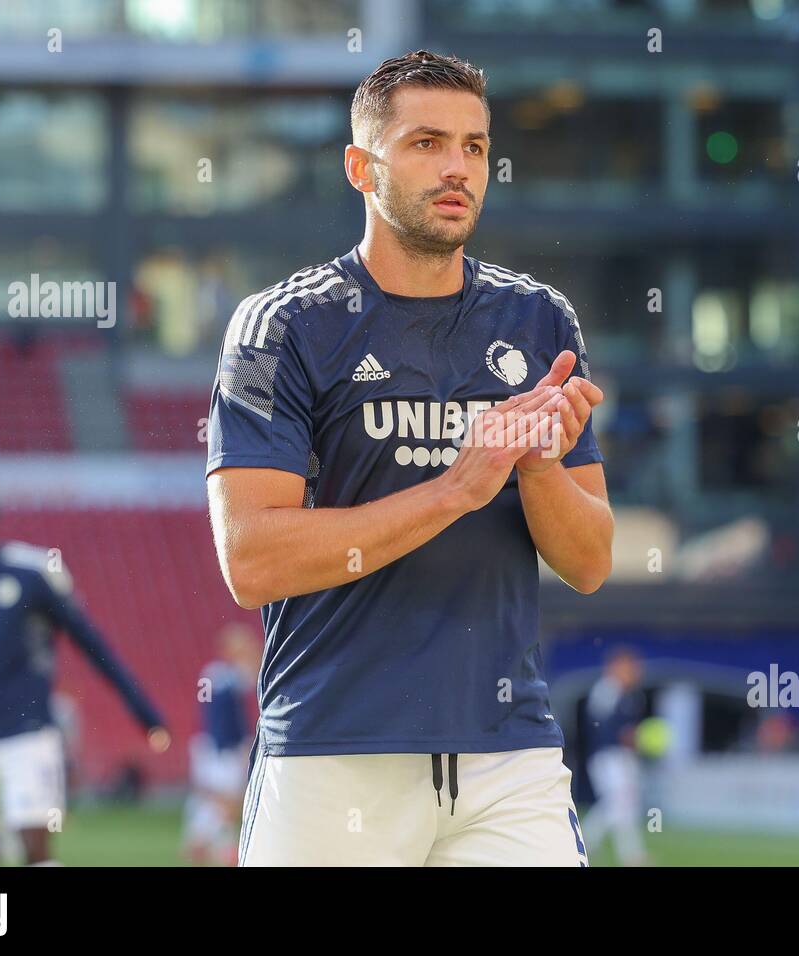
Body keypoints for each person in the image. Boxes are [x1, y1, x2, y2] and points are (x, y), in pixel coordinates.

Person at [206, 50, 613, 866]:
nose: (458, 168)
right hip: (333, 752)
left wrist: (534, 469)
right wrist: (456, 488)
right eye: (427, 143)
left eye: (475, 146)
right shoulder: (278, 326)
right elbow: (250, 559)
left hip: (509, 756)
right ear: (362, 167)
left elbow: (591, 562)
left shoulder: (540, 321)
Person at [0, 475, 170, 866]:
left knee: (34, 849)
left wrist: (145, 713)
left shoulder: (33, 573)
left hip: (28, 735)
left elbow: (93, 645)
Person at [183, 623, 260, 865]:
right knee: (224, 805)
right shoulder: (220, 675)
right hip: (219, 753)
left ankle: (217, 849)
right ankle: (205, 845)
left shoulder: (219, 676)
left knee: (217, 811)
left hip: (218, 750)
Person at [581, 647, 648, 866]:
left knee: (625, 807)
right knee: (616, 803)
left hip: (623, 757)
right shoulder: (606, 689)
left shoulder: (630, 694)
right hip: (607, 756)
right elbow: (598, 726)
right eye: (629, 666)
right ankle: (583, 842)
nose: (634, 671)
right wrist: (622, 736)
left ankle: (631, 855)